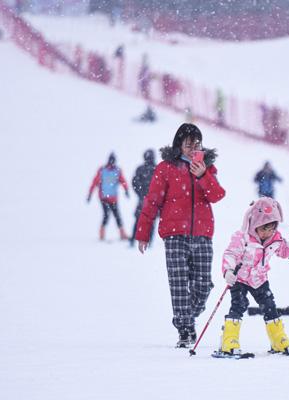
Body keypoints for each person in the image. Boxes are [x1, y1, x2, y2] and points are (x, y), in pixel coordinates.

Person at [135, 123, 226, 347]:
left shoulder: (207, 167)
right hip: (174, 234)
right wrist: (143, 232)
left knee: (202, 286)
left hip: (203, 234)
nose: (192, 148)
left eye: (196, 144)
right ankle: (185, 330)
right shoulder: (166, 168)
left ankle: (186, 318)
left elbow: (217, 195)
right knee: (178, 284)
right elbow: (152, 201)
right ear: (179, 144)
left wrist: (203, 175)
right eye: (188, 144)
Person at [217, 197, 289, 357]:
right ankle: (229, 340)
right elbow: (230, 254)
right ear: (254, 225)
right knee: (239, 306)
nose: (268, 233)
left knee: (269, 306)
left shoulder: (275, 239)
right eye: (264, 229)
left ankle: (278, 339)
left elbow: (284, 251)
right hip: (240, 279)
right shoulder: (242, 238)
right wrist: (228, 271)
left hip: (260, 280)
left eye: (271, 229)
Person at [87, 152, 129, 241]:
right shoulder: (102, 170)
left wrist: (126, 190)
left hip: (113, 198)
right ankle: (102, 234)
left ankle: (122, 234)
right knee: (107, 215)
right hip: (104, 198)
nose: (112, 162)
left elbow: (123, 181)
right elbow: (94, 182)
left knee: (116, 215)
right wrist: (90, 194)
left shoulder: (117, 170)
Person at [129, 149, 156, 248]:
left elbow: (135, 183)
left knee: (138, 221)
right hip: (151, 201)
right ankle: (149, 242)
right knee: (150, 222)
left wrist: (141, 194)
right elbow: (135, 183)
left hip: (145, 200)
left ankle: (133, 240)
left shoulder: (141, 168)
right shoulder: (156, 169)